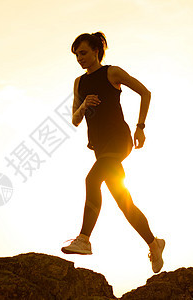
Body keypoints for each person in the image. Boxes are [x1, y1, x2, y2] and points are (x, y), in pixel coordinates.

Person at [61, 32, 165, 273]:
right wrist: (84, 104)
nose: (80, 58)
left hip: (119, 141)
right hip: (99, 147)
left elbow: (145, 93)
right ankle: (154, 243)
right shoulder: (79, 83)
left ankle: (84, 239)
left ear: (97, 51)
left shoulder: (112, 72)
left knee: (91, 179)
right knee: (123, 201)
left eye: (83, 53)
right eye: (76, 55)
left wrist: (140, 127)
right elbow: (75, 120)